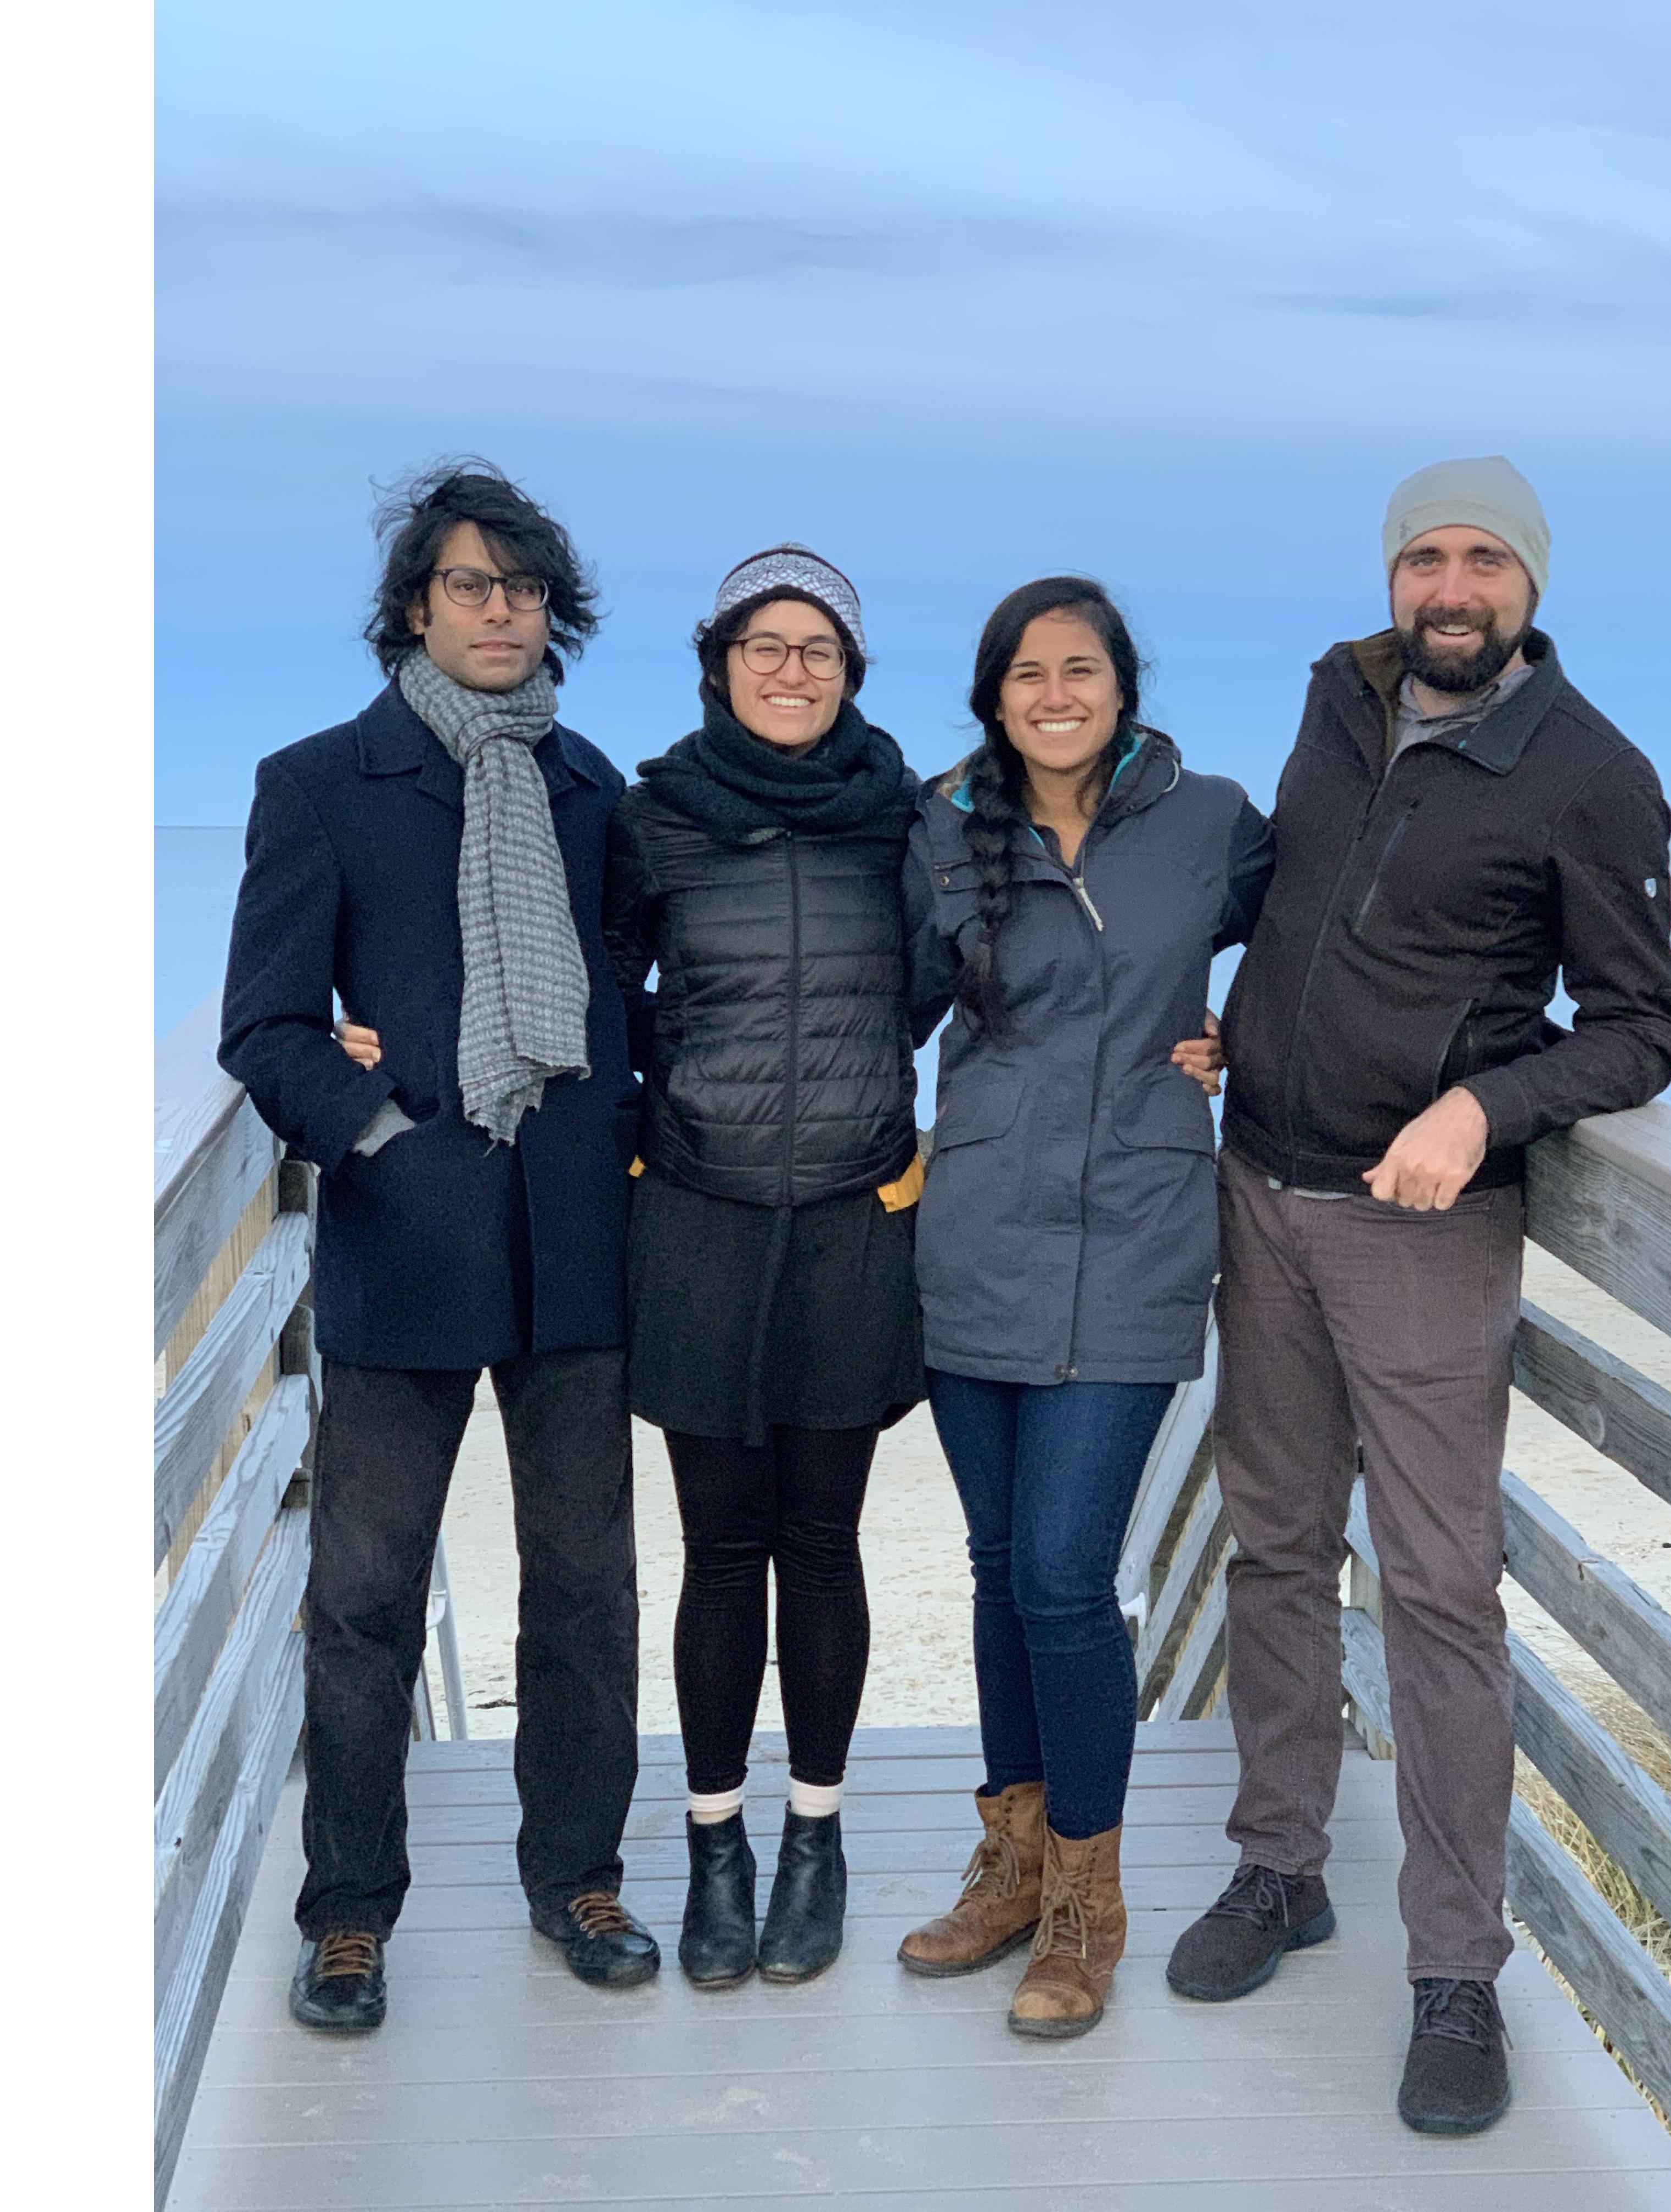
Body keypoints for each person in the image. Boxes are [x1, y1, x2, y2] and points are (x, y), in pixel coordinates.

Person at [1168, 458, 1671, 2135]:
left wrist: (1480, 1107)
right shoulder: (1337, 704)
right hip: (1265, 1189)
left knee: (1446, 1595)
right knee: (1275, 1548)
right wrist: (1221, 1028)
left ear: (1530, 580)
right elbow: (1291, 914)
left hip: (1423, 1230)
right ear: (1391, 575)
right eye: (1422, 558)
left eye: (1481, 561)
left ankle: (1457, 1970)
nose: (1448, 588)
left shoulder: (1594, 777)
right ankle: (1280, 1869)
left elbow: (1636, 1027)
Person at [221, 462, 659, 2034]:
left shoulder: (595, 787)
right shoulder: (321, 782)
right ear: (417, 602)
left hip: (574, 1250)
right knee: (365, 1600)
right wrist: (383, 1137)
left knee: (586, 1589)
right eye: (473, 585)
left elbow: (632, 1004)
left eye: (527, 588)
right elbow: (265, 1028)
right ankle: (348, 1916)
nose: (501, 612)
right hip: (403, 1242)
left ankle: (579, 1879)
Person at [897, 578, 1273, 2039]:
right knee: (1000, 1569)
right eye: (1027, 675)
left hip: (1134, 1237)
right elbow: (871, 1003)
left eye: (1082, 669)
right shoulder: (942, 831)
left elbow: (1311, 949)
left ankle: (1084, 1900)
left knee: (1064, 1574)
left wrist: (1249, 1034)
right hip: (977, 1232)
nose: (1056, 693)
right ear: (995, 697)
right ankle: (1008, 1860)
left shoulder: (1212, 820)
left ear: (1123, 684)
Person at [617, 545, 924, 1991]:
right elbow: (592, 988)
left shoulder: (908, 824)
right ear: (721, 663)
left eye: (818, 647)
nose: (791, 667)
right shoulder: (656, 814)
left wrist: (1204, 1040)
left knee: (825, 1539)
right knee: (719, 1545)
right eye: (765, 644)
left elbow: (991, 976)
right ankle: (715, 1848)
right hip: (698, 1222)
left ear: (852, 673)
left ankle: (817, 1838)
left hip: (853, 1229)